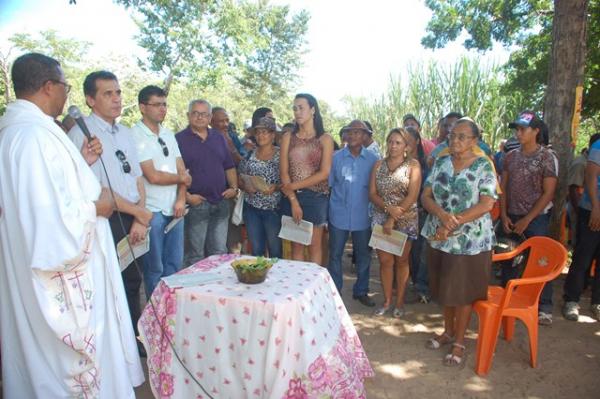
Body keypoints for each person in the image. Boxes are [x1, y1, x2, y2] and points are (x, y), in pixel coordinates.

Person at [0, 52, 143, 398]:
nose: (67, 94)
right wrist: (100, 206)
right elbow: (50, 224)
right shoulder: (34, 137)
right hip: (55, 282)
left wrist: (83, 162)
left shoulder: (19, 133)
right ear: (48, 87)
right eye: (64, 86)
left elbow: (45, 196)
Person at [69, 70, 152, 354]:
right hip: (107, 219)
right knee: (109, 283)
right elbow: (97, 191)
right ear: (90, 100)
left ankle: (133, 338)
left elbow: (137, 177)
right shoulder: (80, 134)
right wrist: (137, 213)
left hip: (133, 217)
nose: (116, 99)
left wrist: (140, 214)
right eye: (108, 93)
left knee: (133, 280)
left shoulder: (125, 132)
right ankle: (116, 345)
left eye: (118, 92)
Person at [421, 117, 497, 367]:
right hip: (439, 236)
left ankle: (460, 341)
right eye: (453, 135)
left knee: (462, 293)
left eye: (462, 136)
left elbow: (487, 203)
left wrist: (453, 222)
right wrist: (442, 216)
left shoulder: (483, 166)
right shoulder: (441, 162)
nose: (455, 140)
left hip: (469, 241)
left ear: (475, 141)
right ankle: (448, 331)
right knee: (445, 287)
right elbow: (426, 196)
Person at [130, 85, 191, 297]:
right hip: (151, 211)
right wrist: (182, 178)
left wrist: (181, 199)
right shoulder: (135, 134)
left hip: (175, 209)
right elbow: (152, 175)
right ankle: (155, 317)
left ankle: (171, 312)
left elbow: (182, 169)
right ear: (142, 107)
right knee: (154, 269)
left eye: (164, 104)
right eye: (156, 105)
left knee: (174, 265)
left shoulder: (168, 133)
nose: (162, 109)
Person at [500, 111, 557, 325]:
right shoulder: (510, 157)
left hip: (537, 218)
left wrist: (528, 219)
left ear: (536, 131)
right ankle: (507, 303)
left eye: (523, 129)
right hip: (511, 217)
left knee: (540, 261)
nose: (518, 132)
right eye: (517, 129)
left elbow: (548, 192)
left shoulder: (546, 158)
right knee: (507, 259)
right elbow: (503, 188)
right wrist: (504, 214)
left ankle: (544, 306)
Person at [176, 99, 239, 266]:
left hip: (221, 202)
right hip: (197, 204)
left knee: (219, 252)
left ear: (210, 117)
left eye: (204, 114)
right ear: (188, 115)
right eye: (195, 113)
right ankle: (193, 291)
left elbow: (229, 165)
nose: (199, 117)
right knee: (194, 255)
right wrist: (187, 197)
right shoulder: (178, 140)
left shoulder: (218, 138)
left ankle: (216, 290)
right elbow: (175, 174)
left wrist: (234, 187)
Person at [369, 128, 422, 317]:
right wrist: (387, 209)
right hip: (380, 217)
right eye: (391, 141)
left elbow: (412, 195)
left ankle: (399, 301)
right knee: (385, 261)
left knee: (401, 261)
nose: (393, 145)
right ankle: (387, 300)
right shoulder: (378, 165)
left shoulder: (413, 165)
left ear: (406, 146)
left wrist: (392, 217)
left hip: (405, 219)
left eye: (398, 142)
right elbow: (372, 194)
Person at [328, 120, 379, 307]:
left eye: (358, 132)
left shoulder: (373, 160)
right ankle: (335, 291)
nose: (353, 136)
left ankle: (361, 291)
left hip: (363, 217)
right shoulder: (335, 158)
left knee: (363, 255)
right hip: (338, 214)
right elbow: (330, 185)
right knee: (335, 254)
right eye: (350, 132)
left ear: (365, 136)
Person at [280, 93, 334, 265]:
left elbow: (324, 173)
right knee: (297, 245)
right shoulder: (288, 137)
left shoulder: (325, 139)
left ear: (313, 110)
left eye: (301, 107)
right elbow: (283, 171)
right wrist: (293, 199)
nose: (297, 112)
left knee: (314, 245)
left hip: (316, 198)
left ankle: (311, 288)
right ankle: (297, 286)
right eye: (294, 108)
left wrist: (293, 186)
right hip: (292, 197)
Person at [563, 132, 600, 321]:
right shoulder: (598, 147)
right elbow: (591, 178)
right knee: (583, 257)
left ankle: (597, 302)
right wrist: (596, 208)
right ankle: (571, 300)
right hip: (593, 210)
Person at [238, 116, 283, 258]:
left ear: (272, 134)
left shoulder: (281, 154)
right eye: (257, 132)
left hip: (274, 210)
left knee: (275, 250)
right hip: (252, 209)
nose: (260, 136)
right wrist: (246, 186)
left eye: (264, 132)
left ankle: (277, 279)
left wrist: (275, 187)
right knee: (256, 250)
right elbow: (240, 176)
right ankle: (258, 278)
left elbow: (288, 180)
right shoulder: (250, 154)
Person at [404, 126, 431, 303]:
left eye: (408, 140)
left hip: (420, 213)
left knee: (420, 252)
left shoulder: (425, 163)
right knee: (404, 252)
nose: (404, 144)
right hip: (400, 214)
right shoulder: (395, 162)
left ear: (417, 142)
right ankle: (404, 285)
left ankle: (421, 287)